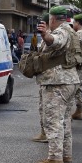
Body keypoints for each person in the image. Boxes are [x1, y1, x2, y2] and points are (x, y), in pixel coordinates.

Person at [35, 6, 80, 163]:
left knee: (53, 120)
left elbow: (55, 42)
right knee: (65, 121)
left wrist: (46, 35)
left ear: (53, 19)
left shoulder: (61, 31)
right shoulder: (71, 31)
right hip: (69, 81)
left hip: (57, 83)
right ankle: (66, 155)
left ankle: (54, 157)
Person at [32, 14, 49, 144]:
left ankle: (56, 153)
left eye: (43, 23)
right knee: (42, 107)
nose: (40, 26)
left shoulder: (53, 36)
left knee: (49, 110)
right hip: (45, 78)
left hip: (51, 79)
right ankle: (44, 132)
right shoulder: (44, 38)